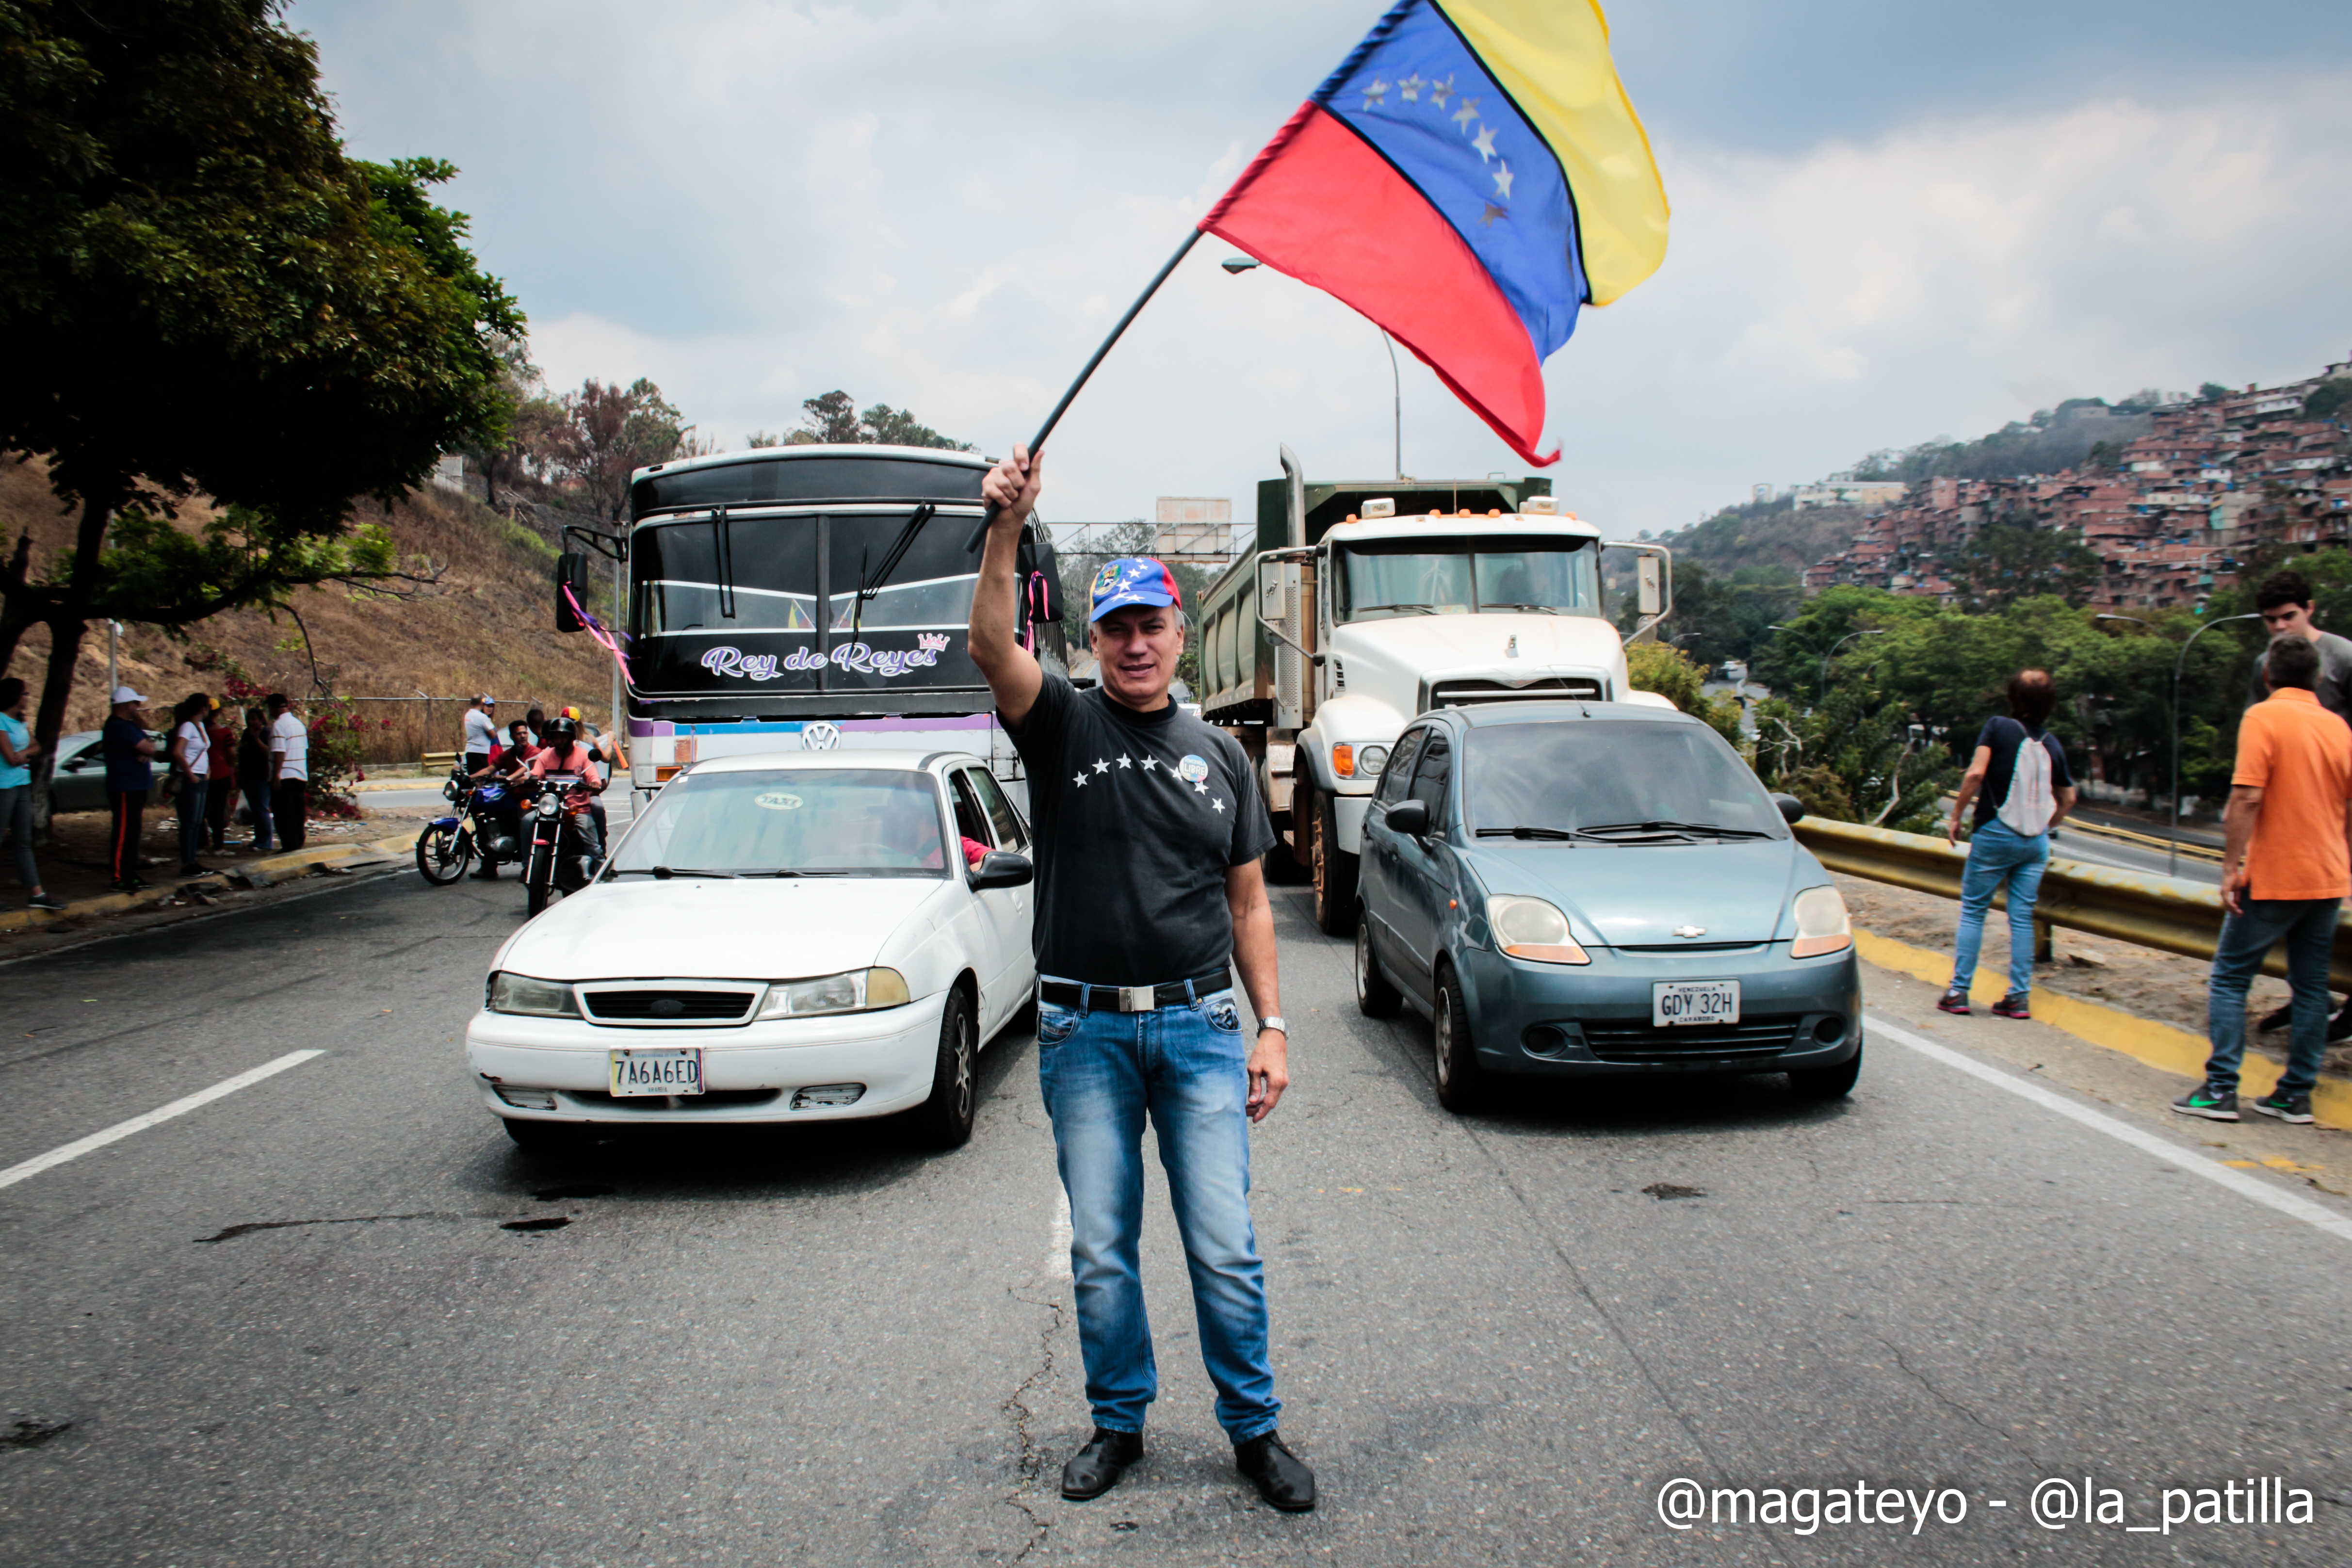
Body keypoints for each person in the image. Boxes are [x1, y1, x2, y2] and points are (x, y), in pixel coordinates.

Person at [970, 445, 1313, 1513]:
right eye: (1114, 626)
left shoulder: (1221, 755)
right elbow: (988, 641)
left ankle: (1253, 1429)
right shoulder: (1062, 723)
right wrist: (1005, 528)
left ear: (1177, 635)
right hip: (1085, 1037)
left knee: (1223, 1245)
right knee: (1101, 1250)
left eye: (1149, 625)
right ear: (1096, 637)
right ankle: (1118, 1420)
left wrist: (1273, 1025)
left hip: (1203, 1028)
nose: (1133, 643)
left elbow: (1251, 903)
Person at [2175, 635, 2352, 1126]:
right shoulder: (2339, 727)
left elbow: (2248, 796)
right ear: (2317, 678)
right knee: (2312, 987)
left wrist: (2231, 867)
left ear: (2267, 677)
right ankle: (2295, 1094)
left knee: (2231, 977)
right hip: (2327, 876)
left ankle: (2220, 1088)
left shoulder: (2262, 717)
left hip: (2276, 874)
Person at [2244, 569, 2352, 1040]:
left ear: (2309, 609)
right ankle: (2309, 995)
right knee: (2296, 899)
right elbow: (2254, 731)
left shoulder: (2343, 656)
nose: (2280, 627)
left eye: (2288, 616)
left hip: (2340, 797)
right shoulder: (2263, 666)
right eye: (2270, 620)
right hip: (2290, 803)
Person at [1938, 669, 2077, 1020]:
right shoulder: (2053, 743)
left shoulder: (1997, 727)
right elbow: (2068, 798)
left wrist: (1956, 815)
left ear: (2012, 699)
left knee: (1974, 910)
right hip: (2035, 843)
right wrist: (2046, 826)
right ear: (2049, 705)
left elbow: (1974, 773)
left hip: (1995, 832)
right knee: (2021, 916)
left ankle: (1958, 992)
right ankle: (2017, 996)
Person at [0, 677, 64, 910]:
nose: (28, 698)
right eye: (25, 694)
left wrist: (25, 754)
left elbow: (36, 748)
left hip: (21, 784)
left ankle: (37, 894)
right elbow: (10, 758)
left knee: (24, 841)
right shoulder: (0, 721)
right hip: (3, 786)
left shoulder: (19, 723)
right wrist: (26, 754)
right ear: (14, 696)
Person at [527, 713, 605, 874]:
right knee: (527, 821)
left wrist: (594, 783)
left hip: (576, 809)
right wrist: (532, 778)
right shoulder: (545, 755)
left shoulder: (583, 755)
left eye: (563, 737)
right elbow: (536, 773)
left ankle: (601, 872)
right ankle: (527, 864)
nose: (559, 741)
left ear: (571, 737)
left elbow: (593, 776)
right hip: (550, 809)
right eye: (556, 737)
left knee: (592, 846)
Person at [103, 685, 158, 891]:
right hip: (125, 784)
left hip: (135, 784)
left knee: (133, 831)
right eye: (135, 703)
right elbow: (148, 747)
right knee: (124, 831)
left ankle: (130, 871)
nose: (138, 707)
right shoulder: (120, 727)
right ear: (126, 705)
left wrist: (147, 748)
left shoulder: (129, 725)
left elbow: (148, 745)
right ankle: (119, 876)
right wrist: (147, 749)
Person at [167, 692, 214, 877]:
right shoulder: (187, 727)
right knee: (189, 821)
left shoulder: (200, 726)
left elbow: (204, 749)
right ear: (203, 709)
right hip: (191, 777)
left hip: (202, 775)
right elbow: (178, 752)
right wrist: (189, 774)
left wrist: (207, 769)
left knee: (197, 820)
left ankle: (193, 859)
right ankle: (187, 862)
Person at [267, 693, 309, 852]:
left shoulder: (279, 726)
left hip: (285, 775)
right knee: (297, 811)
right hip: (300, 773)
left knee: (283, 813)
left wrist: (276, 775)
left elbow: (279, 752)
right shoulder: (298, 724)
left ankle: (289, 844)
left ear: (273, 708)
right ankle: (298, 840)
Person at [204, 701, 236, 853]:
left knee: (202, 810)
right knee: (218, 810)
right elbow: (231, 754)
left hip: (203, 773)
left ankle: (201, 843)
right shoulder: (225, 733)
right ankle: (218, 846)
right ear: (218, 713)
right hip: (221, 773)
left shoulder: (199, 731)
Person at [462, 694, 499, 776]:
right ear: (482, 703)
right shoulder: (482, 717)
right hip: (480, 751)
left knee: (473, 775)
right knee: (481, 777)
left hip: (470, 750)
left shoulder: (468, 714)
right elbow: (493, 735)